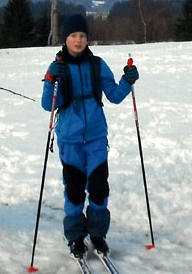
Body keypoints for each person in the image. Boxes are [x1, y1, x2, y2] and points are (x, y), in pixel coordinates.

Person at [41, 14, 139, 258]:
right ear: (65, 38)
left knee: (98, 188)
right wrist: (50, 80)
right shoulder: (58, 67)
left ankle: (97, 234)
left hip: (96, 136)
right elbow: (48, 105)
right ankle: (75, 238)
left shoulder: (97, 64)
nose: (78, 40)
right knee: (74, 190)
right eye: (73, 35)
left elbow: (114, 95)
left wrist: (127, 81)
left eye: (82, 36)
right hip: (70, 139)